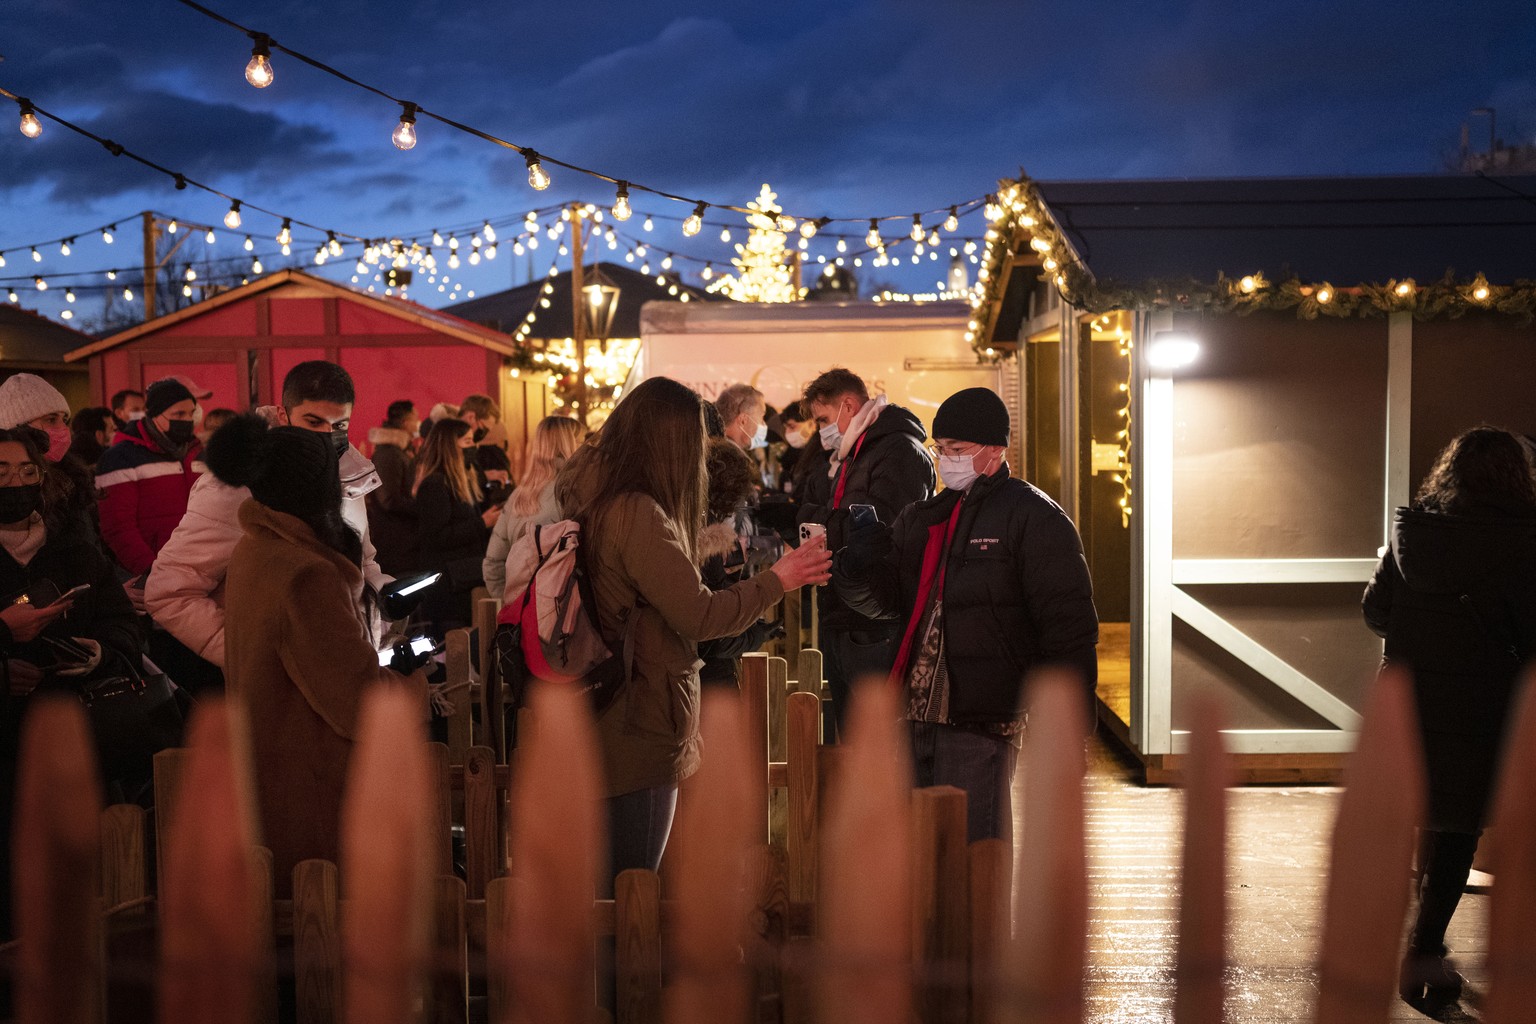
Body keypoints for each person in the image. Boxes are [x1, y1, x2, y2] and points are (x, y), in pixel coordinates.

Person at [556, 376, 831, 883]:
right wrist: (778, 580)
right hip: (639, 714)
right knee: (633, 884)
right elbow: (699, 616)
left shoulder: (594, 494)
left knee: (613, 881)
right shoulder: (637, 512)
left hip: (605, 701)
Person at [833, 387, 1098, 845]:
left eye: (957, 450)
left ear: (995, 450)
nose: (945, 460)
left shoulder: (1034, 517)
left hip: (982, 721)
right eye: (941, 449)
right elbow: (884, 603)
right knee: (913, 858)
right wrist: (857, 565)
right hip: (910, 716)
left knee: (977, 856)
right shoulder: (922, 517)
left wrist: (1074, 730)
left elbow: (1068, 631)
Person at [207, 416, 425, 898]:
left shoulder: (256, 548)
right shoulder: (306, 576)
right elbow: (361, 703)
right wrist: (414, 682)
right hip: (314, 795)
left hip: (269, 782)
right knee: (326, 943)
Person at [1361, 425, 1536, 1006]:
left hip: (1411, 700)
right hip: (1486, 707)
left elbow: (1377, 615)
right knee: (1458, 830)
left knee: (1428, 819)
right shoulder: (1525, 542)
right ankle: (1424, 948)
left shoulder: (1415, 536)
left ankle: (1405, 942)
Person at [145, 362, 389, 680]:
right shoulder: (238, 483)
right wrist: (257, 658)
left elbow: (363, 564)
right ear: (283, 415)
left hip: (343, 669)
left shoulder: (348, 475)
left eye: (339, 425)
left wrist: (387, 605)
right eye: (314, 421)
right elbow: (169, 591)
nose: (327, 436)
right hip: (275, 689)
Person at [0, 426, 142, 939]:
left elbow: (122, 622)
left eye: (26, 471)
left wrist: (101, 652)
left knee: (84, 879)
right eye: (0, 472)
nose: (14, 482)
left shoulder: (74, 545)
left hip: (81, 733)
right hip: (7, 749)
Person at [797, 367, 934, 739]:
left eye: (824, 419)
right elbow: (833, 512)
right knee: (851, 739)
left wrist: (816, 520)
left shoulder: (897, 452)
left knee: (876, 741)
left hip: (875, 619)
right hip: (845, 612)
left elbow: (879, 529)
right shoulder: (852, 452)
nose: (821, 429)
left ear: (849, 404)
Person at [95, 377, 206, 576]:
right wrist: (152, 571)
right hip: (153, 571)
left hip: (201, 568)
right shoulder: (121, 458)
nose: (187, 421)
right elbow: (118, 528)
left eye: (191, 413)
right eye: (178, 414)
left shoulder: (197, 452)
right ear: (154, 415)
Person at [698, 436, 780, 688]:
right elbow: (714, 636)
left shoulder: (695, 525)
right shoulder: (707, 539)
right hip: (709, 676)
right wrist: (755, 634)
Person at [482, 415, 585, 601]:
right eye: (582, 442)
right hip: (563, 611)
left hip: (525, 616)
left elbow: (493, 563)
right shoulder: (574, 493)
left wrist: (514, 604)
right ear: (569, 446)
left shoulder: (517, 496)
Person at [414, 418, 499, 633]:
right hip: (449, 583)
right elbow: (438, 537)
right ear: (451, 447)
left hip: (464, 577)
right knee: (453, 645)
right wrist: (482, 523)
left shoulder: (460, 482)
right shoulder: (434, 485)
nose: (474, 448)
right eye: (468, 441)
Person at [0, 374, 101, 548]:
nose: (63, 429)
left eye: (65, 420)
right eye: (51, 419)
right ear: (16, 427)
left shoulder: (71, 480)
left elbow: (91, 554)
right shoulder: (11, 492)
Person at [366, 400, 421, 578]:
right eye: (415, 418)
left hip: (403, 540)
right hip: (394, 540)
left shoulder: (401, 451)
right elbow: (388, 500)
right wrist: (421, 508)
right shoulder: (388, 453)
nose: (418, 422)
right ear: (405, 422)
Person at [459, 393, 514, 496]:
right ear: (471, 417)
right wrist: (484, 476)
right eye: (483, 428)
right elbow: (454, 481)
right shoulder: (447, 440)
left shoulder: (472, 446)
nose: (483, 434)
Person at [716, 383, 768, 452]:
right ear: (743, 420)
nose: (763, 424)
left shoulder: (707, 451)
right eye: (761, 416)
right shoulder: (729, 459)